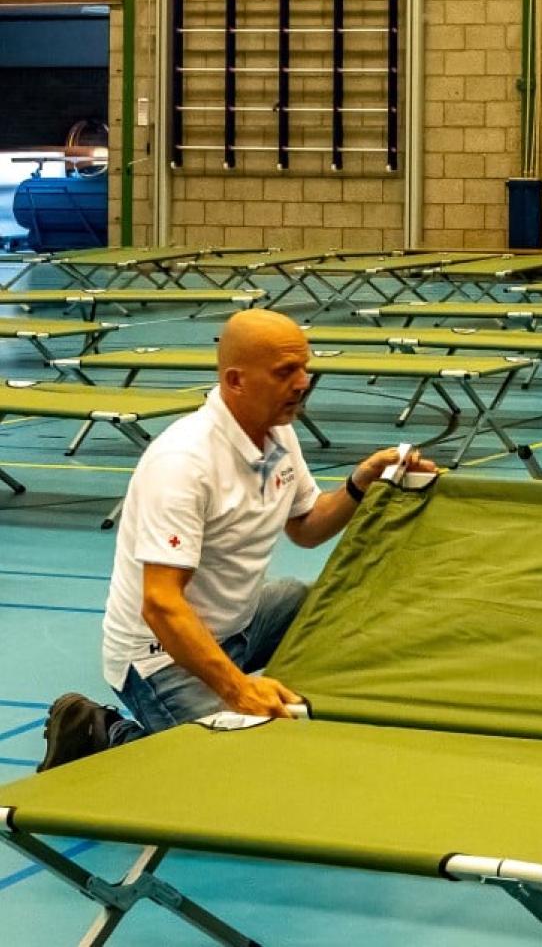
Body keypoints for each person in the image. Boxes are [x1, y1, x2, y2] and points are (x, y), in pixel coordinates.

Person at [38, 309, 437, 771]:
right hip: (159, 658)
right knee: (238, 767)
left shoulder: (278, 434)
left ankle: (287, 699)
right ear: (236, 380)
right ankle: (101, 731)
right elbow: (161, 605)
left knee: (311, 602)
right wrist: (239, 690)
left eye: (305, 368)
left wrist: (360, 483)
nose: (303, 382)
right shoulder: (184, 463)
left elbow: (307, 527)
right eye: (286, 371)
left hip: (238, 625)